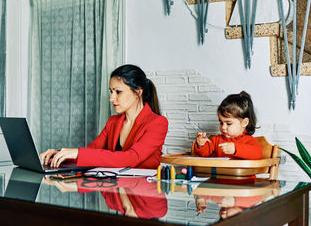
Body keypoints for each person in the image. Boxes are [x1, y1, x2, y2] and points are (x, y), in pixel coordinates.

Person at [40, 64, 168, 169]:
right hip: (115, 192)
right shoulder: (113, 122)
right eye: (111, 91)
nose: (112, 98)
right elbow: (91, 153)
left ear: (138, 92)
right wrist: (59, 155)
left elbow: (130, 158)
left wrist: (77, 153)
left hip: (145, 196)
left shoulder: (158, 123)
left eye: (118, 92)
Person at [193, 91, 262, 159]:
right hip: (221, 170)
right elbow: (204, 153)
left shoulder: (249, 140)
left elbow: (258, 153)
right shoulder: (216, 140)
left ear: (244, 123)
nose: (223, 127)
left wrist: (235, 149)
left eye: (228, 124)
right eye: (221, 123)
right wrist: (201, 145)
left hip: (240, 170)